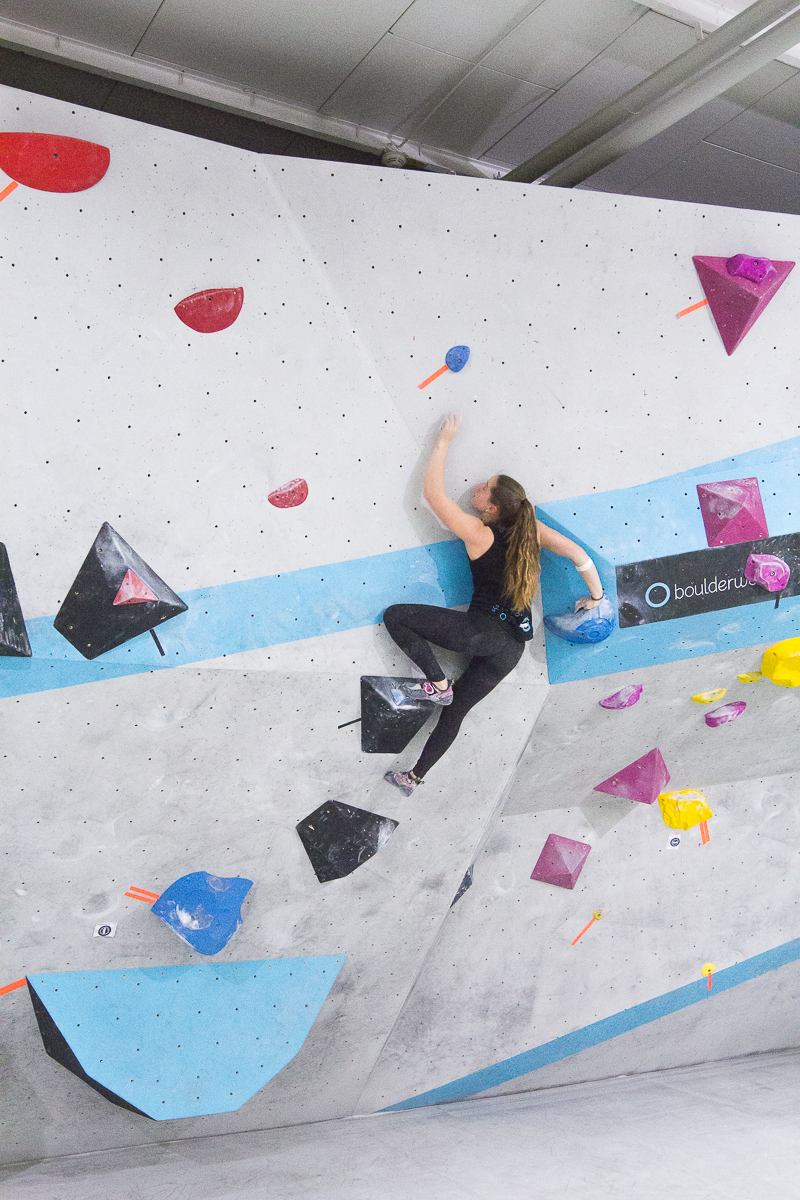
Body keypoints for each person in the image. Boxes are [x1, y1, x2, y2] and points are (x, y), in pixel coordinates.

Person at [382, 414, 604, 796]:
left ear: (493, 509)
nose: (478, 487)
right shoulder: (530, 531)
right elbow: (578, 555)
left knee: (396, 616)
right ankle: (413, 778)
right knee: (456, 713)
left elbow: (433, 497)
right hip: (511, 648)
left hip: (482, 633)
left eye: (486, 489)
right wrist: (597, 597)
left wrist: (443, 442)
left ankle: (437, 684)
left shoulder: (479, 533)